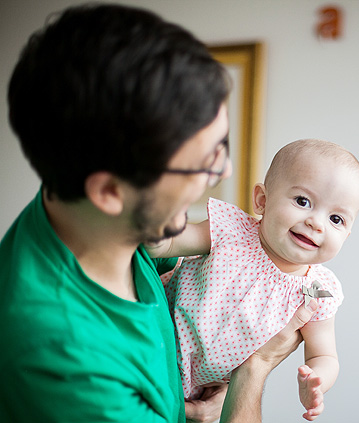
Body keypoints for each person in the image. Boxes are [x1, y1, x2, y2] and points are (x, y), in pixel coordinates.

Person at [0, 4, 316, 423]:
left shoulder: (91, 207)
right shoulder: (70, 366)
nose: (225, 171)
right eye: (203, 161)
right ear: (110, 191)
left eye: (223, 146)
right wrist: (254, 370)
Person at [148, 139, 359, 420]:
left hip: (201, 392)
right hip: (155, 340)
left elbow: (324, 355)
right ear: (262, 200)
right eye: (303, 201)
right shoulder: (233, 231)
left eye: (336, 219)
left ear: (347, 236)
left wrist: (316, 381)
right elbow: (169, 244)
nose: (317, 223)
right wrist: (153, 232)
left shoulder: (317, 292)